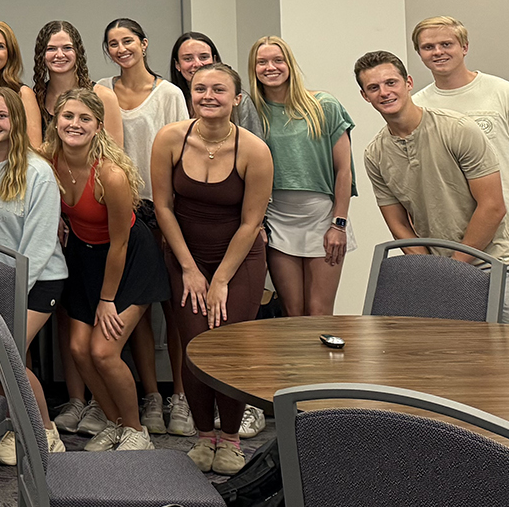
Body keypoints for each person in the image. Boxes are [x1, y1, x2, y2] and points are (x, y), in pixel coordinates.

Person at [148, 63, 272, 474]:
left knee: (230, 348)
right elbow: (163, 207)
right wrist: (189, 268)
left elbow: (251, 222)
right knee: (196, 344)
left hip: (239, 259)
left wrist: (220, 278)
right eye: (200, 88)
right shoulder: (169, 139)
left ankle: (231, 439)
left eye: (219, 89)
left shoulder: (254, 150)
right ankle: (204, 436)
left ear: (237, 98)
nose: (208, 96)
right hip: (185, 255)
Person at [357, 51, 509, 327]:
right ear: (365, 96)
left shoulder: (458, 129)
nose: (384, 92)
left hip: (493, 262)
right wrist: (437, 272)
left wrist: (453, 266)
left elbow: (493, 206)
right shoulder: (375, 154)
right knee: (448, 361)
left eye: (391, 82)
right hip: (437, 272)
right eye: (374, 87)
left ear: (408, 82)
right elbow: (399, 226)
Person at [411, 16, 509, 317]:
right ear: (419, 53)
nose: (438, 51)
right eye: (428, 47)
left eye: (446, 44)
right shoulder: (417, 106)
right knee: (461, 337)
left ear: (464, 47)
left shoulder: (505, 94)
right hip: (451, 244)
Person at [49, 87, 170, 452]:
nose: (75, 124)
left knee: (102, 351)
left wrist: (107, 299)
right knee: (77, 347)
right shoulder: (48, 160)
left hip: (128, 261)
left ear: (98, 126)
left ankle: (136, 431)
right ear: (55, 122)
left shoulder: (110, 175)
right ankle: (114, 422)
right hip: (85, 259)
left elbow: (120, 244)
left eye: (85, 118)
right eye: (68, 116)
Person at [0, 87, 70, 465]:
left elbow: (39, 247)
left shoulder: (37, 171)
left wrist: (7, 297)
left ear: (17, 121)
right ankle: (11, 423)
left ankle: (45, 432)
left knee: (5, 356)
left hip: (37, 280)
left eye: (1, 116)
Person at [97, 18, 186, 433]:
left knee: (176, 309)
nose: (121, 49)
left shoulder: (168, 93)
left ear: (144, 44)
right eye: (113, 43)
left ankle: (182, 398)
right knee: (139, 310)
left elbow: (183, 148)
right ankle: (151, 396)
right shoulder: (102, 89)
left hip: (161, 208)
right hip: (121, 209)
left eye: (128, 41)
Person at [248, 36, 356, 319]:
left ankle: (327, 366)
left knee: (319, 312)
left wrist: (339, 225)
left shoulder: (324, 105)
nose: (270, 67)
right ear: (253, 68)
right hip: (277, 220)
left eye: (277, 60)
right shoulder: (251, 113)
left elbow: (344, 171)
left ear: (290, 65)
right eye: (262, 62)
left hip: (323, 219)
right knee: (293, 314)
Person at [32, 21, 123, 146]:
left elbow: (115, 156)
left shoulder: (104, 97)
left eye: (67, 48)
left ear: (78, 52)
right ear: (41, 55)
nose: (59, 55)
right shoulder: (34, 100)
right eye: (51, 48)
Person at [170, 32, 263, 136]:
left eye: (204, 57)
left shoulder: (240, 101)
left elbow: (255, 144)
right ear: (177, 64)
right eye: (188, 59)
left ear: (214, 60)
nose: (197, 64)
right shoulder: (171, 98)